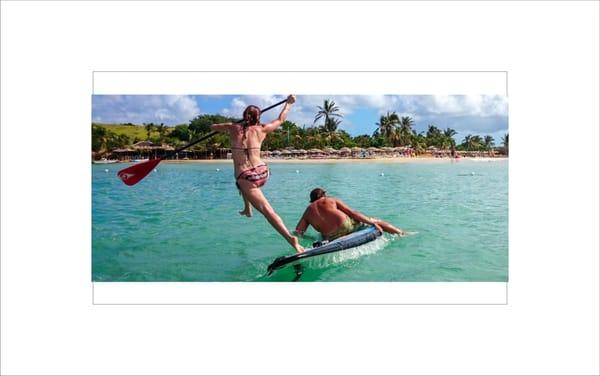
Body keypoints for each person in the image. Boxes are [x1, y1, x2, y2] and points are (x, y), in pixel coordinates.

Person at [210, 95, 304, 253]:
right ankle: (247, 208)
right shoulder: (262, 129)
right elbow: (280, 119)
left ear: (244, 117)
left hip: (246, 176)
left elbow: (213, 126)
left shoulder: (233, 128)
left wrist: (231, 125)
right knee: (240, 180)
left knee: (267, 209)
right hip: (263, 172)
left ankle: (290, 239)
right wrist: (288, 104)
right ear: (258, 117)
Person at [294, 188, 406, 241]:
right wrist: (371, 222)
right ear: (323, 195)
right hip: (345, 226)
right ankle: (401, 233)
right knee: (377, 220)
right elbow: (353, 213)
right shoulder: (331, 200)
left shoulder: (307, 211)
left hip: (330, 236)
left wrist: (313, 239)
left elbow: (298, 232)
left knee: (321, 234)